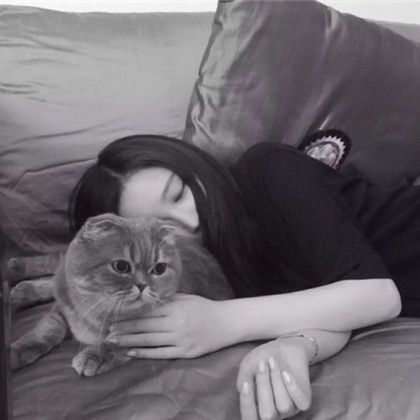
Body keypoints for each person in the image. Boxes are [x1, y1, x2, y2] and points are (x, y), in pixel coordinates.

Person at [69, 134, 417, 420]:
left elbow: (377, 295)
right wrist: (294, 347)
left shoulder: (267, 169)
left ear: (194, 164)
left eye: (180, 194)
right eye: (163, 226)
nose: (190, 220)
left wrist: (222, 321)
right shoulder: (209, 269)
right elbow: (330, 305)